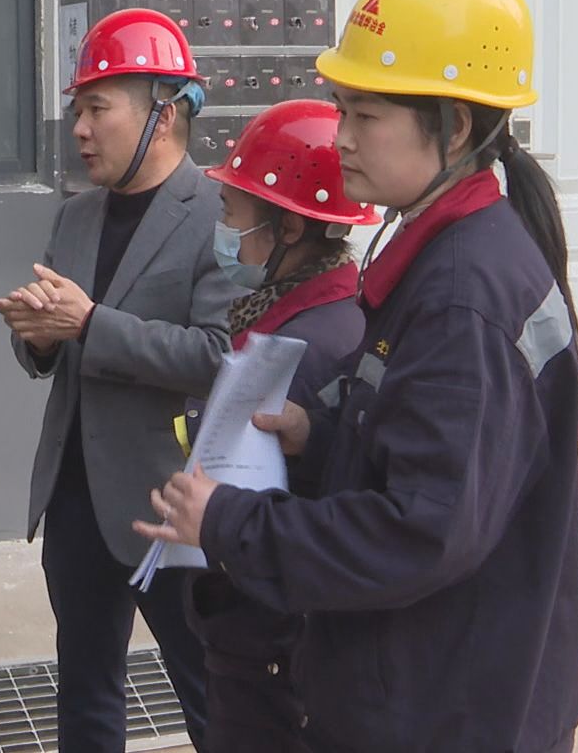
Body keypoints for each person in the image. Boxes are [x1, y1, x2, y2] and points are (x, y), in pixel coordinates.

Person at [136, 0, 578, 752]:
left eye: (366, 115)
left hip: (449, 712)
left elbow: (419, 532)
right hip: (449, 686)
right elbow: (442, 463)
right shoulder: (449, 252)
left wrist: (231, 522)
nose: (341, 138)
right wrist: (320, 435)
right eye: (341, 108)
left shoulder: (463, 296)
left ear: (454, 128)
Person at [0, 7, 239, 751]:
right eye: (78, 111)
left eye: (97, 109)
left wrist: (90, 323)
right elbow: (54, 348)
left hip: (173, 503)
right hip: (76, 499)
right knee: (85, 693)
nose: (80, 129)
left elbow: (218, 357)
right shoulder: (76, 218)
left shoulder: (221, 212)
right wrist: (38, 339)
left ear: (162, 113)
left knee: (212, 693)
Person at [185, 99, 378, 753]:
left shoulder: (308, 346)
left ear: (289, 228)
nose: (222, 230)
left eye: (232, 213)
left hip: (273, 642)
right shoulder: (288, 311)